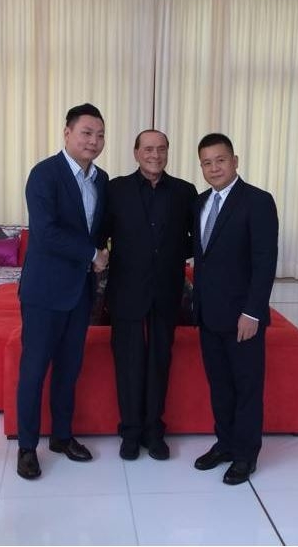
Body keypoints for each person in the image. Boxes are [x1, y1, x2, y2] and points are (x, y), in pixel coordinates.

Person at [16, 103, 110, 480]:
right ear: (67, 133)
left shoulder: (101, 179)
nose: (93, 141)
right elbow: (46, 232)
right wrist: (92, 254)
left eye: (100, 135)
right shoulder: (45, 174)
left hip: (80, 292)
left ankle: (61, 436)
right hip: (44, 291)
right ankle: (27, 447)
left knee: (69, 370)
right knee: (34, 370)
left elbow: (99, 229)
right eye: (86, 132)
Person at [102, 129, 197, 461]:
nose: (155, 155)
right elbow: (100, 232)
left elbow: (197, 239)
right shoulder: (116, 189)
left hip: (167, 290)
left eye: (161, 149)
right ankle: (130, 431)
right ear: (136, 153)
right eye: (148, 149)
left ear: (168, 152)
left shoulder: (185, 191)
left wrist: (171, 254)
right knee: (127, 363)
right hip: (126, 291)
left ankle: (154, 431)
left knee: (160, 362)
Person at [192, 132, 278, 485]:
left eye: (221, 160)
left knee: (246, 387)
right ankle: (225, 444)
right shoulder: (199, 202)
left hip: (243, 317)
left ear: (235, 161)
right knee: (220, 386)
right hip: (208, 315)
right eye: (207, 163)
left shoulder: (258, 201)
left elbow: (265, 262)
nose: (214, 168)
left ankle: (245, 455)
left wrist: (252, 312)